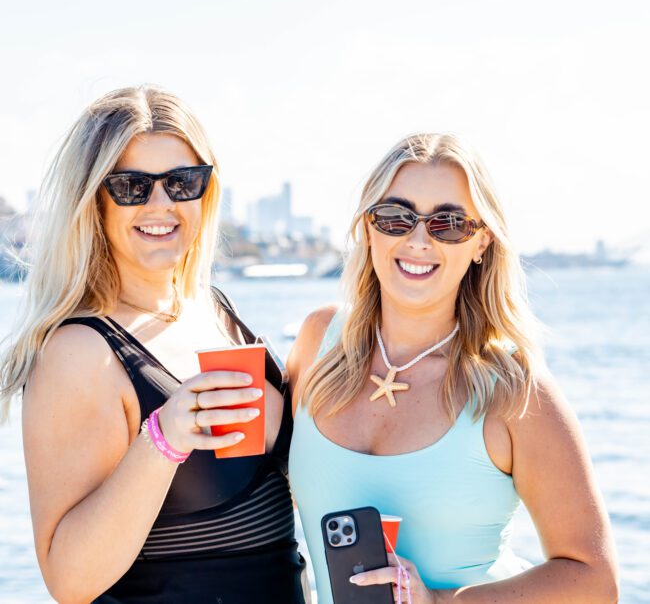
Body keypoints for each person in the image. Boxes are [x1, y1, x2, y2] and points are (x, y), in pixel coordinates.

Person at [0, 86, 307, 603]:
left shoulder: (217, 311)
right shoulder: (79, 353)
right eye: (132, 186)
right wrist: (163, 438)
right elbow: (69, 581)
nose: (162, 204)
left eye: (182, 182)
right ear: (94, 200)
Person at [288, 133, 618, 603]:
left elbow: (595, 580)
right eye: (395, 217)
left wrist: (438, 602)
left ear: (481, 241)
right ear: (367, 227)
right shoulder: (319, 341)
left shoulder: (513, 388)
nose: (419, 240)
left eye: (448, 224)